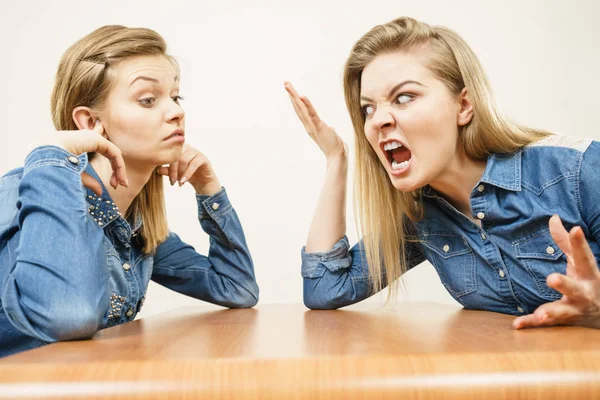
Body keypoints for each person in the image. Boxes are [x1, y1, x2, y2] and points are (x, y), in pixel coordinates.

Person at [285, 16, 600, 330]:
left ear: (463, 106)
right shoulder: (422, 218)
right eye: (368, 108)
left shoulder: (578, 169)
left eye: (404, 97)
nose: (378, 120)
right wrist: (336, 158)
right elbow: (325, 289)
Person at [0, 25, 259, 358]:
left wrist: (208, 187)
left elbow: (237, 288)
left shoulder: (134, 227)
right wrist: (51, 152)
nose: (177, 112)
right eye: (148, 100)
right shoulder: (28, 197)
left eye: (176, 97)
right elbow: (69, 314)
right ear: (90, 122)